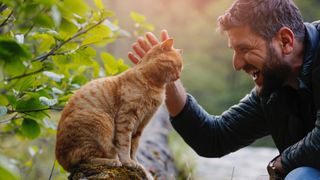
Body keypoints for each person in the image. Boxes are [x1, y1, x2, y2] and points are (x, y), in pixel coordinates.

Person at [128, 0, 320, 179]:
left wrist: (281, 164)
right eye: (234, 51)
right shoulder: (275, 88)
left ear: (285, 41)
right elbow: (214, 138)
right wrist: (167, 79)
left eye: (244, 49)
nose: (236, 64)